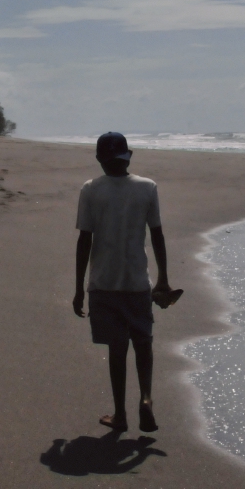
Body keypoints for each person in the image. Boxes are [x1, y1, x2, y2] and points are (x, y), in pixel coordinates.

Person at [73, 132, 180, 433]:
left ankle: (120, 414)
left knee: (117, 350)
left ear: (99, 159)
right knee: (143, 344)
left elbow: (84, 240)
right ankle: (146, 399)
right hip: (136, 283)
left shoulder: (91, 190)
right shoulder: (147, 188)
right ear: (128, 156)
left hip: (103, 283)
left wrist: (78, 288)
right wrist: (163, 278)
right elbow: (156, 234)